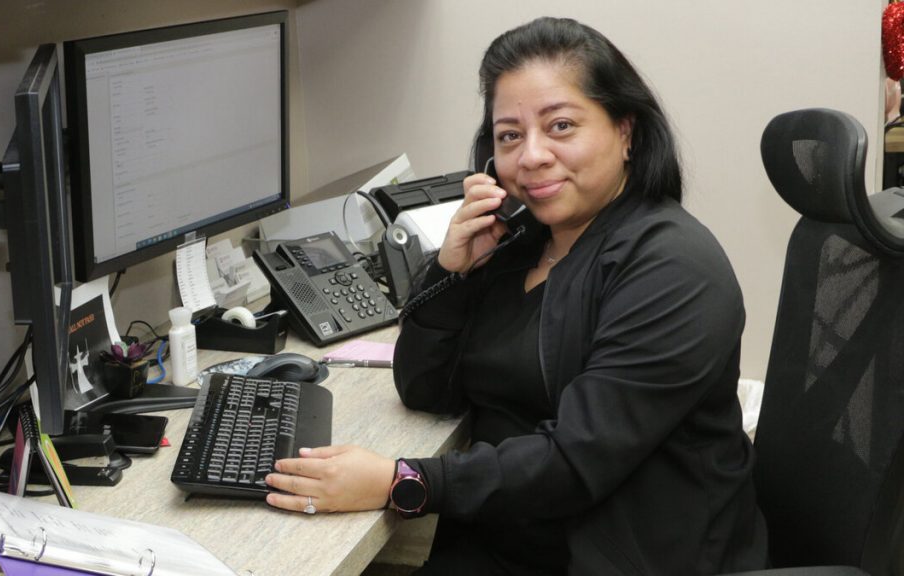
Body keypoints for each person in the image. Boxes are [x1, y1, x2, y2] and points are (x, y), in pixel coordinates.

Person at [265, 17, 768, 575]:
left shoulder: (671, 268)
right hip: (513, 539)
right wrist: (451, 269)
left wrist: (401, 482)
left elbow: (578, 460)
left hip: (624, 556)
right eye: (510, 135)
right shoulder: (521, 244)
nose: (531, 156)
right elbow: (426, 388)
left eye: (560, 126)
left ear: (626, 132)